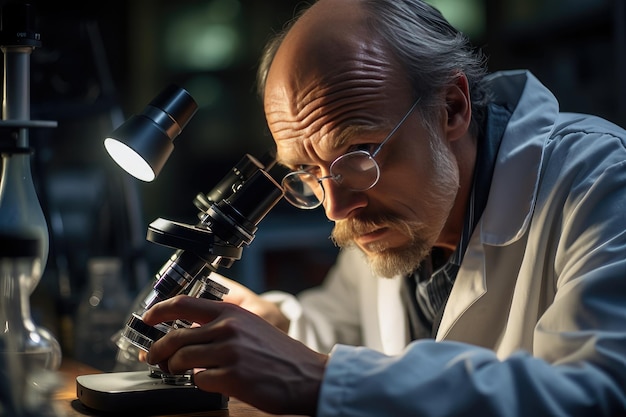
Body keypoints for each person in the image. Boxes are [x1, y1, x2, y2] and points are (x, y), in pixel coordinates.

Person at [141, 0, 626, 415]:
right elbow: (345, 328)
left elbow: (598, 393)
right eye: (309, 173)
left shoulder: (599, 179)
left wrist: (322, 380)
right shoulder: (383, 212)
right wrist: (277, 327)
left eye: (359, 156)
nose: (336, 208)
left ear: (452, 108)